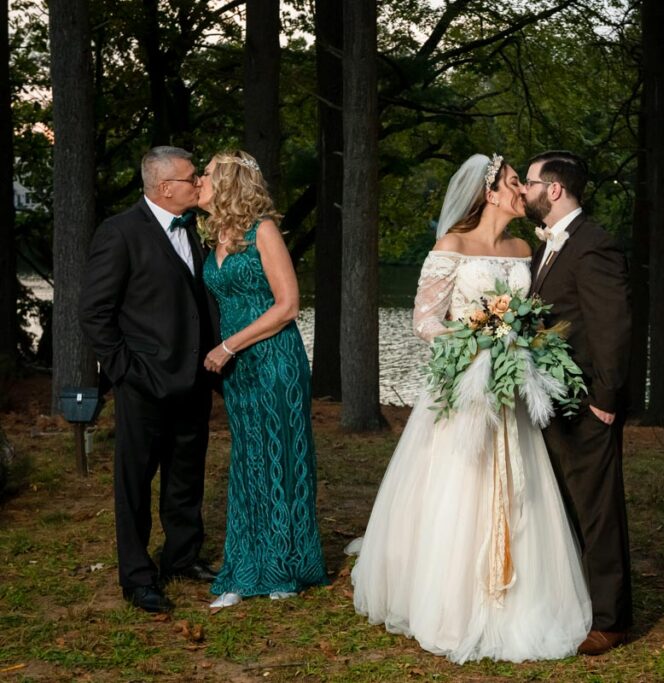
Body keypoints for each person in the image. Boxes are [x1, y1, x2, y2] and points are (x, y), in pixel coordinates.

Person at [347, 154, 591, 663]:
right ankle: (453, 601)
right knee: (459, 485)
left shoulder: (525, 247)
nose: (523, 190)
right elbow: (424, 321)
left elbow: (532, 315)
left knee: (522, 487)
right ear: (492, 193)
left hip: (513, 384)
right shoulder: (451, 246)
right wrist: (477, 343)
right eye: (512, 182)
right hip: (465, 384)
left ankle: (520, 598)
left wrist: (519, 342)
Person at [80, 146, 219, 613]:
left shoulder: (196, 229)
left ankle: (181, 557)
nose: (198, 183)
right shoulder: (120, 233)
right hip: (143, 385)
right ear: (164, 188)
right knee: (135, 483)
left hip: (193, 381)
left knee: (186, 475)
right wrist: (126, 372)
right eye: (191, 178)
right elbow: (95, 315)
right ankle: (138, 577)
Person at [196, 150, 327, 608]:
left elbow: (288, 305)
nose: (199, 179)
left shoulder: (262, 230)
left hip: (273, 359)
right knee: (249, 460)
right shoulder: (215, 236)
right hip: (238, 368)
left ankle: (284, 566)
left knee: (281, 456)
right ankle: (244, 566)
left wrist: (229, 345)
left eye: (208, 173)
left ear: (229, 182)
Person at [520, 151, 632, 656]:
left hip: (585, 398)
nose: (524, 191)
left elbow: (613, 324)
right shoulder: (544, 247)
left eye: (529, 182)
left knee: (597, 509)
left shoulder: (594, 244)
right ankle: (580, 601)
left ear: (555, 189)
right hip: (549, 398)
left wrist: (605, 398)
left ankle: (612, 619)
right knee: (565, 505)